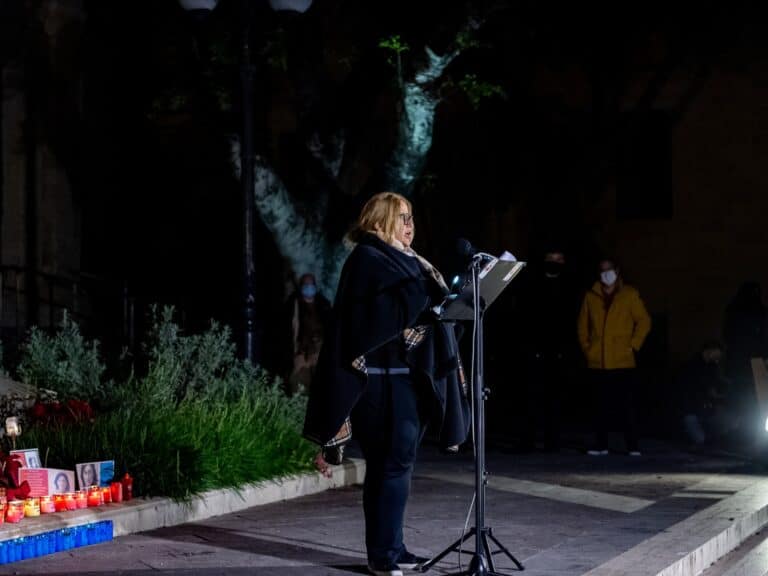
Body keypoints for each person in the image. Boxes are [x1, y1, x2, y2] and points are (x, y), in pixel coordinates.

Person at [304, 192, 470, 576]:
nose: (410, 225)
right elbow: (381, 316)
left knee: (394, 468)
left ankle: (393, 548)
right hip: (379, 384)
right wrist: (428, 298)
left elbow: (419, 305)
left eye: (411, 217)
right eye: (402, 217)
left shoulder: (409, 260)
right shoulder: (368, 259)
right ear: (380, 220)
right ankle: (382, 556)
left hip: (405, 381)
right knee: (390, 467)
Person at [578, 258, 651, 456]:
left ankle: (632, 446)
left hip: (622, 361)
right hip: (598, 362)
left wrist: (633, 345)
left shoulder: (629, 294)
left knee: (627, 407)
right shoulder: (590, 296)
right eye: (602, 270)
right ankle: (601, 445)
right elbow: (582, 326)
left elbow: (644, 321)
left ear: (617, 271)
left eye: (609, 270)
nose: (606, 274)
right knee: (599, 407)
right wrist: (588, 349)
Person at [517, 247, 580, 451]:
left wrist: (566, 350)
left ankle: (552, 441)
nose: (554, 262)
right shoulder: (532, 285)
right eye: (551, 258)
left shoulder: (570, 287)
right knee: (531, 398)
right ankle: (527, 441)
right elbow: (525, 317)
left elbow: (572, 321)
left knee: (555, 399)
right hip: (534, 351)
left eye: (559, 259)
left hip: (559, 352)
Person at [723, 281, 768, 444]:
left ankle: (747, 434)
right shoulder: (757, 312)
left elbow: (728, 335)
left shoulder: (735, 310)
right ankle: (750, 435)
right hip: (751, 362)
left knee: (746, 399)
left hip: (742, 363)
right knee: (751, 399)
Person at [283, 273, 331, 395]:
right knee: (299, 389)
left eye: (311, 284)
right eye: (306, 285)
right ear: (301, 287)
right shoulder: (293, 306)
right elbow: (291, 332)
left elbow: (330, 330)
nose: (309, 287)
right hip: (301, 356)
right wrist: (295, 355)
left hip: (320, 354)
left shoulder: (324, 306)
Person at [678, 340, 733, 445]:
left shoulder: (712, 367)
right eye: (717, 354)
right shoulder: (691, 366)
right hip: (691, 409)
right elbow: (690, 390)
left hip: (705, 408)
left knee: (725, 424)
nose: (718, 358)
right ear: (710, 350)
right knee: (700, 439)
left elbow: (718, 382)